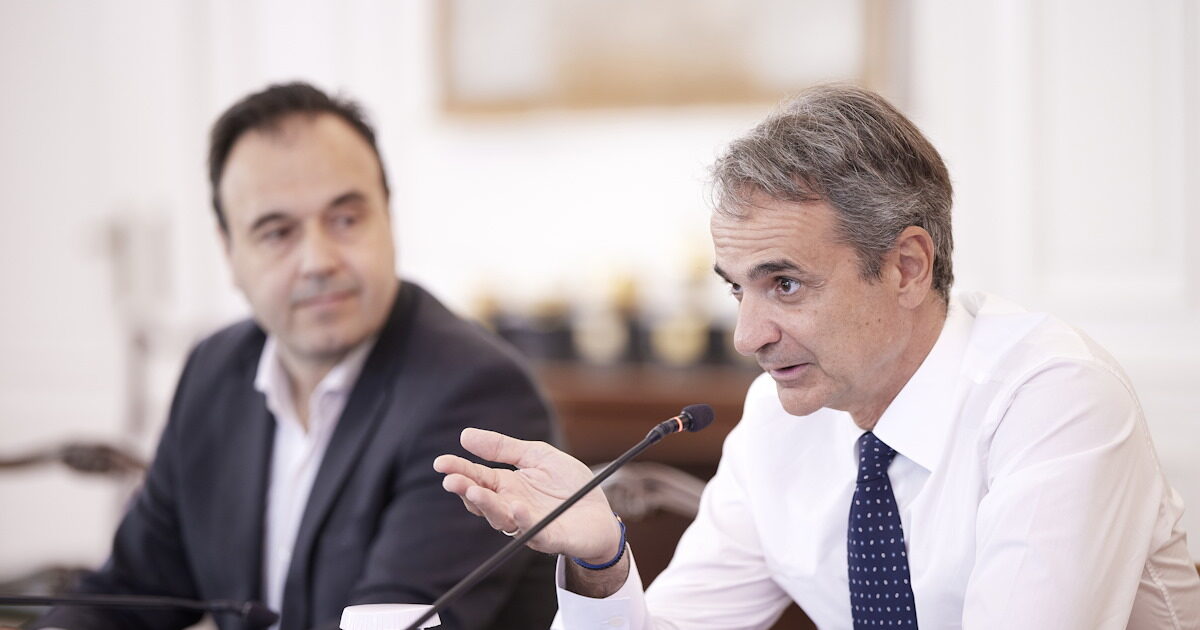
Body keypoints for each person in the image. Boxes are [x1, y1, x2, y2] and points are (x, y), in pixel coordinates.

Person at [434, 84, 1200, 629]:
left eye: (787, 285)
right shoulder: (781, 421)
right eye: (738, 289)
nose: (749, 336)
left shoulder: (1054, 398)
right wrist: (602, 558)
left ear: (907, 268)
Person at [30, 82, 559, 630]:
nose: (318, 260)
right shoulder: (214, 370)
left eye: (346, 219)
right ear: (229, 251)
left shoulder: (476, 393)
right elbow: (128, 591)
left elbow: (390, 623)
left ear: (388, 218)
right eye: (277, 232)